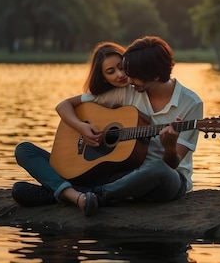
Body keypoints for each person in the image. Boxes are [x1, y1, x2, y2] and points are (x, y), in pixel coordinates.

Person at [57, 36, 203, 205]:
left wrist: (169, 147)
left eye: (134, 75)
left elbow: (171, 165)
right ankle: (87, 195)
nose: (128, 79)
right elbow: (67, 104)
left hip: (167, 179)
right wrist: (82, 127)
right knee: (26, 151)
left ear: (155, 76)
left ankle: (90, 195)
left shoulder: (191, 103)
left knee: (158, 169)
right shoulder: (129, 90)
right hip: (127, 172)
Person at [12, 42, 129, 216]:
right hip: (79, 165)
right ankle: (76, 195)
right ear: (103, 77)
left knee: (20, 191)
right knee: (24, 150)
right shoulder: (104, 97)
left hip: (101, 171)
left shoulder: (140, 92)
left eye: (121, 67)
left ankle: (69, 194)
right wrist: (82, 127)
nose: (120, 74)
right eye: (111, 71)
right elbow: (63, 105)